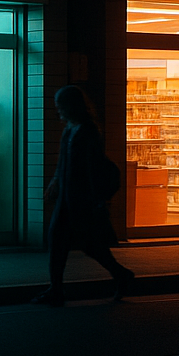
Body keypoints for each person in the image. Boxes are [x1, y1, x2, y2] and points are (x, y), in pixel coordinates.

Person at [31, 85, 135, 307]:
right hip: (69, 198)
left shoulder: (87, 131)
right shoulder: (71, 129)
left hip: (80, 199)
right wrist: (55, 182)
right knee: (62, 240)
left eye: (60, 106)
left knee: (86, 244)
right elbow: (63, 162)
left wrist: (98, 199)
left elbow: (93, 167)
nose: (58, 110)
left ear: (70, 106)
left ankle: (119, 274)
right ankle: (57, 288)